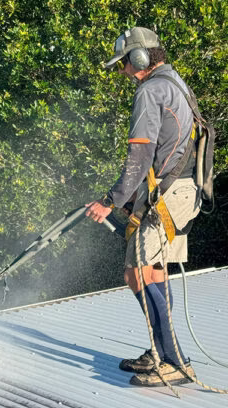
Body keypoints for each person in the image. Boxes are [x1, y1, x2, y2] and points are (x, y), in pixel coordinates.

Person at [85, 27, 200, 387]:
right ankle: (161, 350)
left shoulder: (150, 89)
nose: (122, 72)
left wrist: (110, 200)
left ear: (139, 58)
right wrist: (135, 200)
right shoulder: (174, 81)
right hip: (180, 192)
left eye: (124, 64)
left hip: (168, 196)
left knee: (135, 273)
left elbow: (141, 154)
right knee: (152, 272)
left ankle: (175, 362)